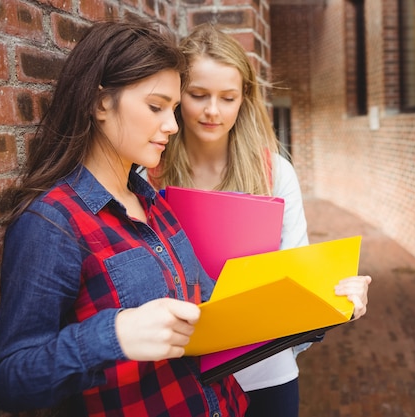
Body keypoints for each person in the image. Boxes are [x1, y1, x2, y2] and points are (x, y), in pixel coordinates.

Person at [0, 20, 252, 416]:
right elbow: (8, 382)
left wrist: (311, 298)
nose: (173, 125)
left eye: (174, 109)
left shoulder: (153, 201)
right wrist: (113, 336)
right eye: (156, 106)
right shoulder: (53, 224)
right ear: (99, 104)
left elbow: (204, 300)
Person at [150, 23, 372, 417]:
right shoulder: (150, 172)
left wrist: (338, 299)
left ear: (245, 98)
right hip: (179, 377)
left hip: (266, 373)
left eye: (228, 97)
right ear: (177, 95)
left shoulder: (276, 173)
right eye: (198, 95)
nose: (212, 111)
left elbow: (296, 273)